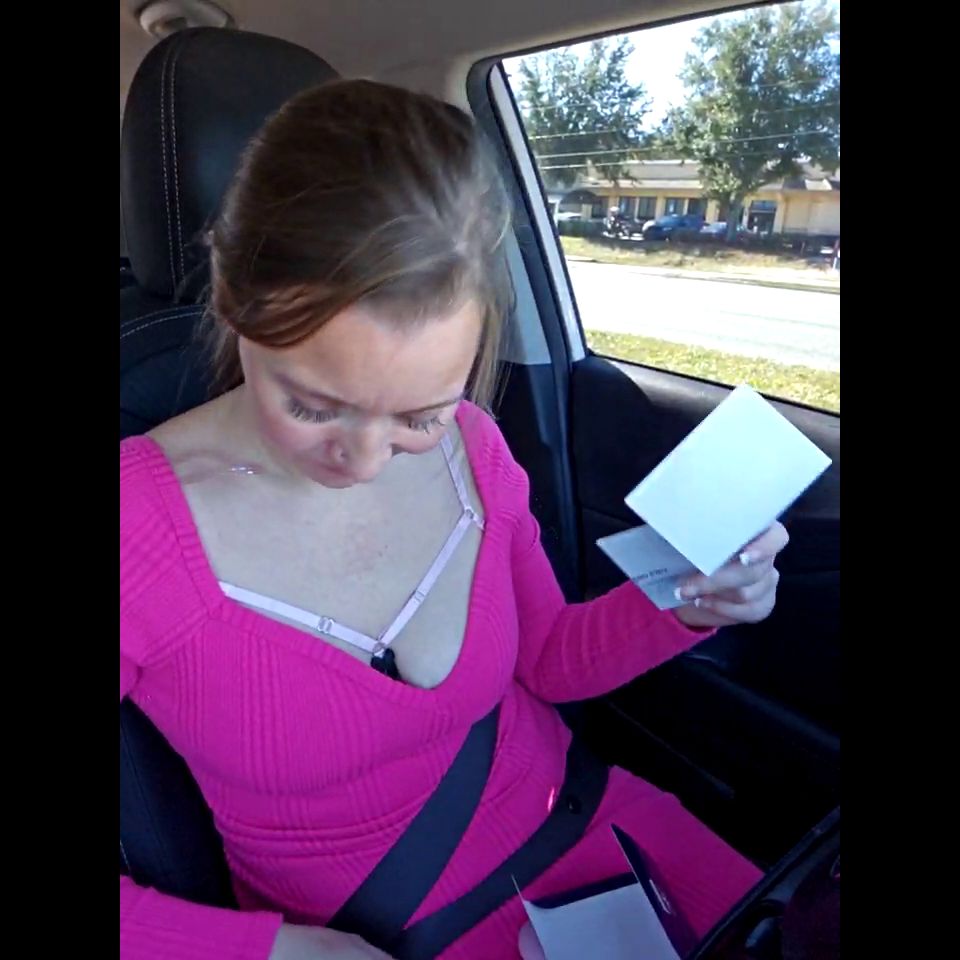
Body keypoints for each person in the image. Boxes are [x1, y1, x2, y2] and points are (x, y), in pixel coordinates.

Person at [120, 79, 788, 960]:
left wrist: (690, 605)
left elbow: (549, 660)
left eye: (418, 416)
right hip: (377, 938)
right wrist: (279, 950)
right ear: (230, 299)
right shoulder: (136, 531)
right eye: (313, 405)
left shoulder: (475, 448)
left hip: (604, 847)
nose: (365, 461)